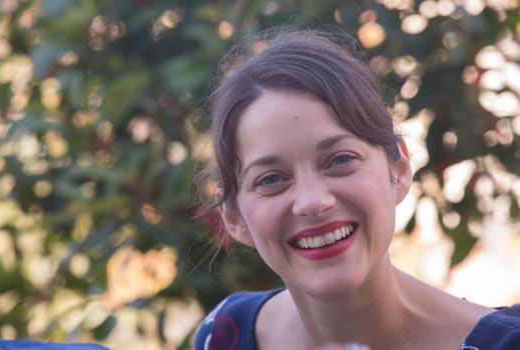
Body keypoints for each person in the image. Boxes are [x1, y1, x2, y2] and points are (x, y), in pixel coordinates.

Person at [193, 29, 520, 350]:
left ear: (400, 168)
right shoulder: (226, 335)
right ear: (234, 217)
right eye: (270, 179)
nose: (313, 202)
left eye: (340, 160)